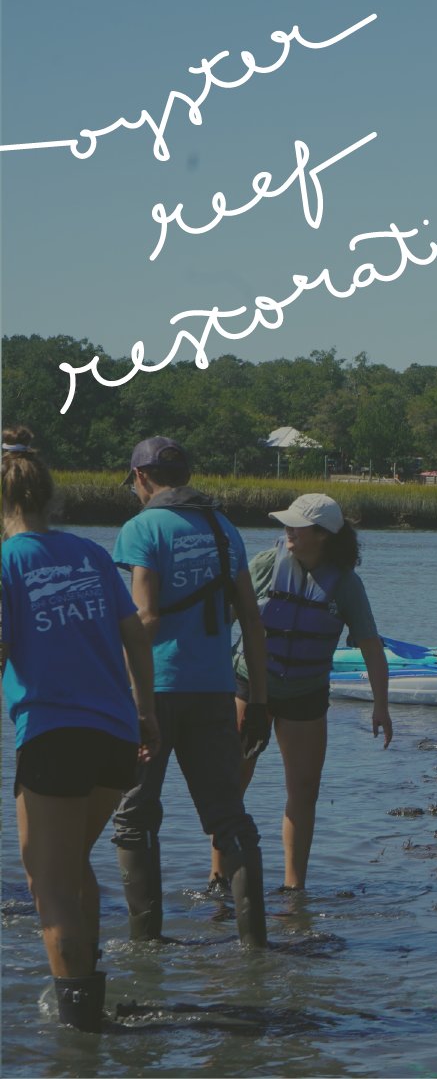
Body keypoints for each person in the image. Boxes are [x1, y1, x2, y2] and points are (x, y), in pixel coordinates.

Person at [1, 428, 158, 1032]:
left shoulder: (7, 562)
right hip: (115, 735)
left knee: (48, 883)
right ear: (48, 496)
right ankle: (87, 988)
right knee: (74, 866)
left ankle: (77, 1023)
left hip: (53, 734)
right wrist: (147, 712)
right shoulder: (91, 554)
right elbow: (135, 636)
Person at [111, 436, 270, 946]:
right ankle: (254, 944)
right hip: (216, 690)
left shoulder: (142, 528)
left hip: (154, 689)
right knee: (229, 818)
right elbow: (251, 618)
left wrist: (119, 689)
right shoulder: (224, 527)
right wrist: (260, 699)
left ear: (140, 477)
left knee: (135, 816)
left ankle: (145, 945)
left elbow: (146, 617)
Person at [208, 493, 393, 892]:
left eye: (297, 525)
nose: (288, 530)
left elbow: (371, 646)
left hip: (305, 694)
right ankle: (219, 877)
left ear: (323, 535)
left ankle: (294, 888)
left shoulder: (345, 584)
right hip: (249, 684)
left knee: (305, 790)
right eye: (287, 523)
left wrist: (381, 705)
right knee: (233, 781)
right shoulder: (264, 564)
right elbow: (221, 619)